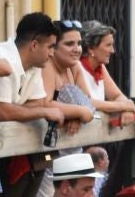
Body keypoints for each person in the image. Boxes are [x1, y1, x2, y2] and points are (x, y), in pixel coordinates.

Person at [0, 12, 63, 197]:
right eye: (50, 47)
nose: (52, 54)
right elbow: (2, 112)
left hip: (0, 151)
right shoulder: (3, 57)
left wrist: (33, 110)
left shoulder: (35, 65)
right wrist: (43, 113)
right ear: (35, 45)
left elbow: (38, 103)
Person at [41, 19, 98, 155]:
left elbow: (88, 103)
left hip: (71, 148)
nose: (77, 49)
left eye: (79, 43)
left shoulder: (74, 66)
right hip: (46, 152)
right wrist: (79, 112)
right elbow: (44, 104)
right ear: (53, 47)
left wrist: (75, 116)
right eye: (69, 44)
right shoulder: (47, 65)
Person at [78, 21, 135, 123]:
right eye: (108, 45)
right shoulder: (77, 67)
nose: (112, 51)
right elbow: (87, 102)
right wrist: (123, 105)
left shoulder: (100, 67)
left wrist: (126, 110)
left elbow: (117, 96)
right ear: (91, 48)